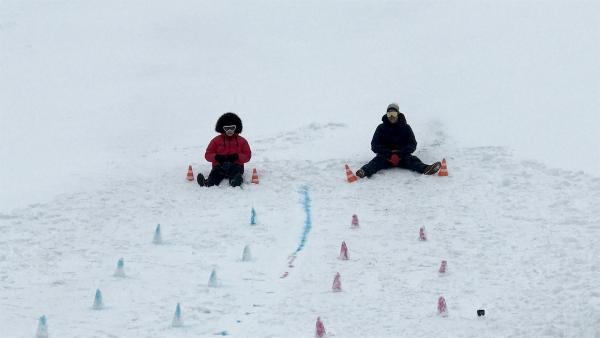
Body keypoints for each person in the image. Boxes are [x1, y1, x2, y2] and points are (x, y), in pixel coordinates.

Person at [356, 103, 441, 178]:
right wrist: (389, 154)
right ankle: (363, 171)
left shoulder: (406, 127)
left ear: (398, 114)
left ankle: (426, 169)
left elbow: (412, 144)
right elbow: (374, 145)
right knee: (376, 162)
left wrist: (400, 154)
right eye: (389, 114)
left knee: (412, 161)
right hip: (386, 156)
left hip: (402, 156)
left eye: (393, 113)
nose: (391, 116)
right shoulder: (381, 128)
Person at [197, 112, 252, 187]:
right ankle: (207, 182)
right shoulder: (215, 141)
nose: (229, 131)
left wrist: (237, 156)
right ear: (222, 128)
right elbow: (208, 155)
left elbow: (247, 156)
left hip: (236, 165)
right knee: (215, 172)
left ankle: (235, 181)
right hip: (220, 166)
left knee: (236, 171)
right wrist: (216, 157)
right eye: (226, 128)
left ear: (236, 127)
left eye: (232, 128)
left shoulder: (242, 141)